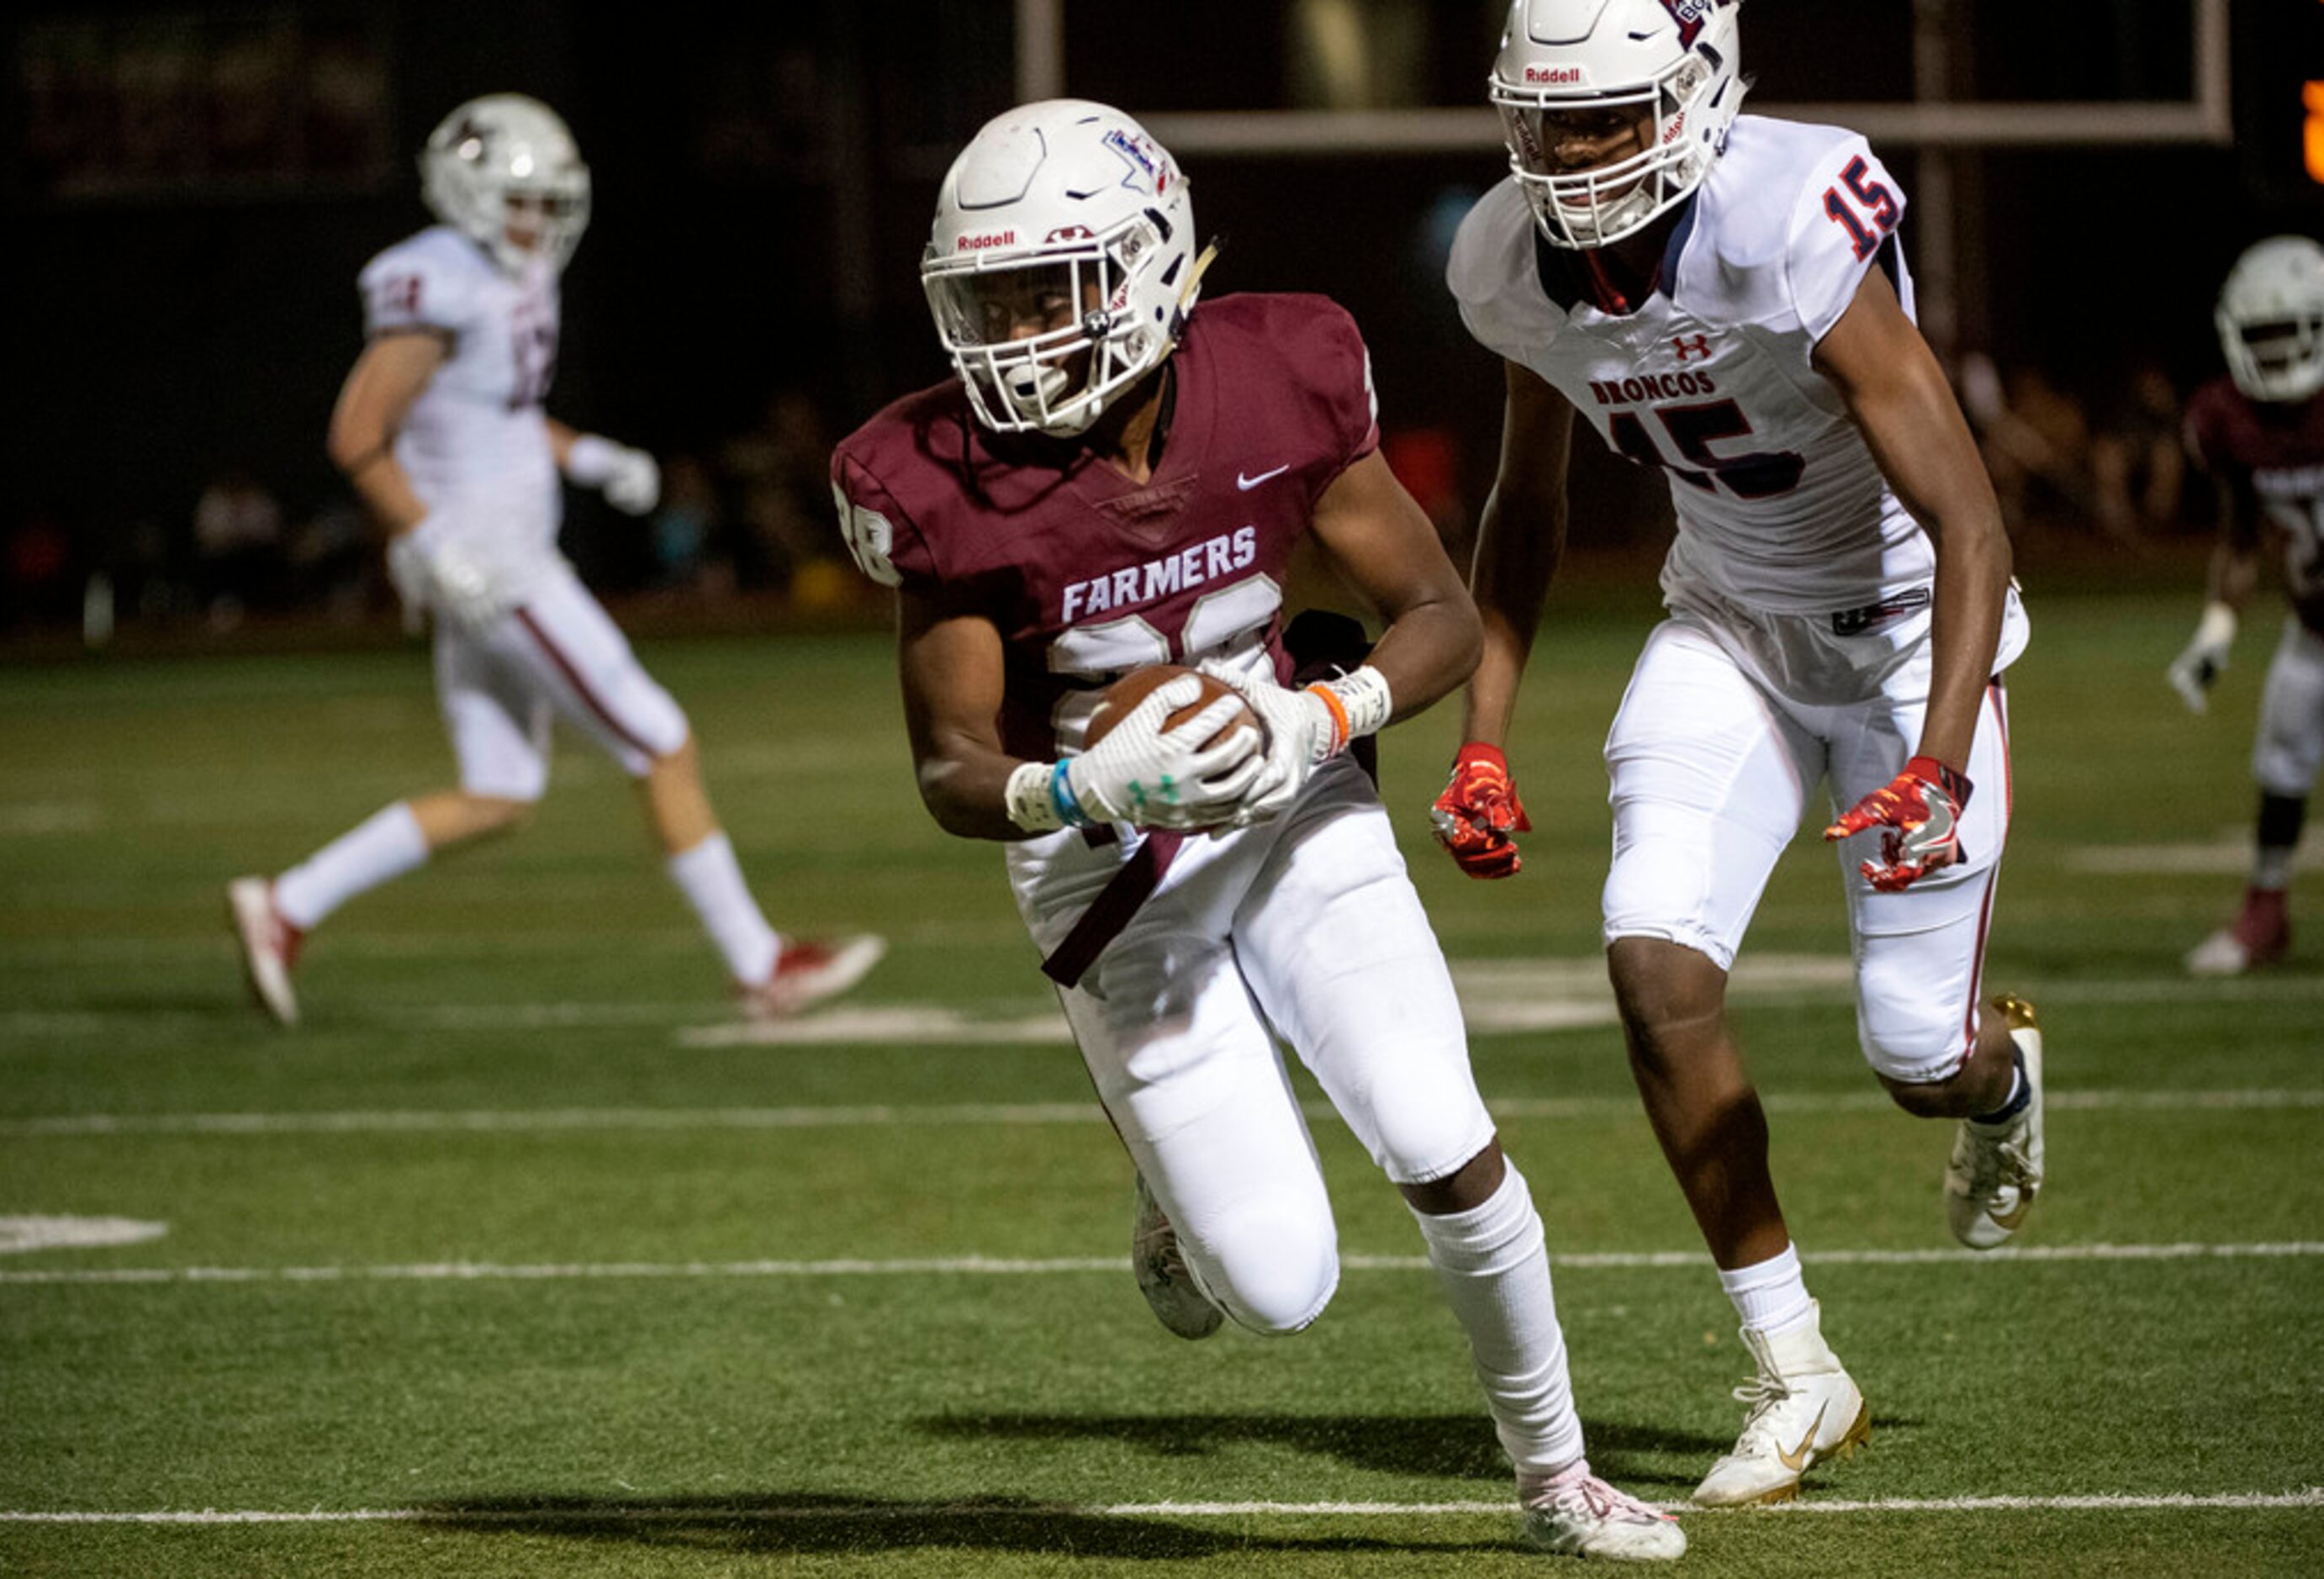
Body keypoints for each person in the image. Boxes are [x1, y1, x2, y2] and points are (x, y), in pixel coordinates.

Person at [832, 98, 1683, 1562]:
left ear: (1158, 267)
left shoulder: (1279, 371)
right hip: (1102, 862)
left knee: (1435, 1127)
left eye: (1053, 289)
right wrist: (1079, 788)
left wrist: (1318, 717)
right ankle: (1164, 1183)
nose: (1016, 335)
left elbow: (1441, 616)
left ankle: (1557, 1473)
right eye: (988, 301)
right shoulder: (935, 477)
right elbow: (952, 765)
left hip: (1287, 787)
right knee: (1282, 1285)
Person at [1428, 0, 2045, 1508]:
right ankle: (1796, 1362)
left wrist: (1943, 757)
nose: (1570, 156)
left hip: (1908, 637)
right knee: (1652, 955)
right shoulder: (1510, 262)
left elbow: (1970, 522)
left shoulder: (1786, 218)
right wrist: (1485, 735)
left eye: (1607, 118)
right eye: (1547, 119)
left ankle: (2001, 1078)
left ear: (1699, 94)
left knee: (1917, 1057)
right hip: (1733, 626)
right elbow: (1526, 503)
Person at [226, 92, 881, 1027]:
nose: (539, 222)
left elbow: (498, 413)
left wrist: (587, 455)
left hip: (496, 556)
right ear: (465, 192)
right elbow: (357, 435)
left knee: (499, 791)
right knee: (659, 740)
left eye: (547, 202)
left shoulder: (516, 276)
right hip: (494, 564)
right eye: (521, 202)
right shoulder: (432, 280)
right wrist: (431, 539)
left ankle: (286, 905)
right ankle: (760, 965)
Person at [2169, 235, 2324, 974]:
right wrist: (2215, 631)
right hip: (2313, 629)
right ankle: (2265, 912)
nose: (2273, 354)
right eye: (2261, 337)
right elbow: (2239, 536)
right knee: (2281, 755)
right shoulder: (2226, 420)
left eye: (2287, 335)